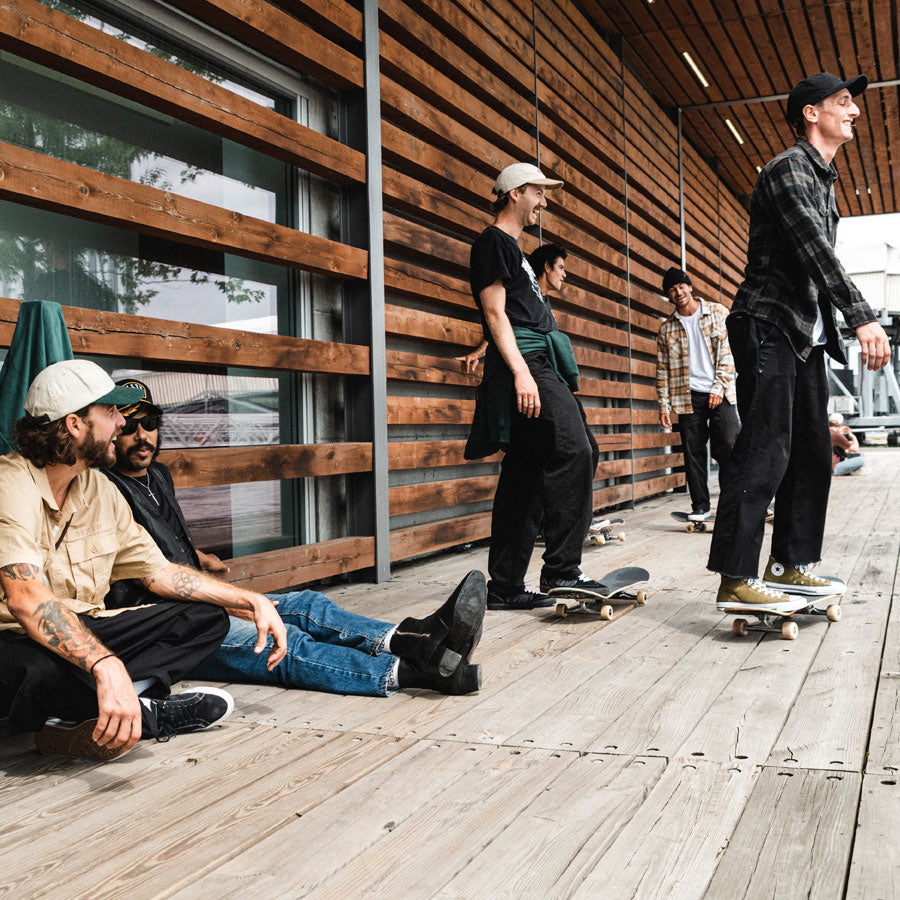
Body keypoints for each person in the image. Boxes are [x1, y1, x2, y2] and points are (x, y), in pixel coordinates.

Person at [103, 380, 486, 697]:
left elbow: (155, 544)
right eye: (129, 426)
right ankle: (417, 671)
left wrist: (199, 557)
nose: (142, 436)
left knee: (307, 605)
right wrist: (230, 604)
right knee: (287, 642)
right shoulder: (107, 489)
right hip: (172, 632)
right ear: (111, 431)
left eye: (149, 423)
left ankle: (416, 638)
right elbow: (146, 574)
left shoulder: (159, 475)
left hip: (198, 605)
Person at [0, 360, 289, 762]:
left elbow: (159, 572)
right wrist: (105, 663)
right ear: (75, 424)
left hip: (84, 626)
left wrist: (248, 600)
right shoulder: (9, 485)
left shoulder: (99, 488)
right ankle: (133, 712)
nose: (121, 423)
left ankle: (104, 711)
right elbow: (26, 599)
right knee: (38, 671)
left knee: (204, 617)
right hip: (13, 639)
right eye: (111, 411)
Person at [708, 72, 891, 606]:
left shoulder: (823, 181)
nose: (854, 111)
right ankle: (736, 578)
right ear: (811, 113)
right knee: (764, 448)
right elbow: (815, 250)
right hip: (768, 323)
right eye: (844, 102)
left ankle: (789, 563)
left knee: (812, 452)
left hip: (803, 334)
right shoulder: (789, 168)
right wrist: (861, 316)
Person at [463, 163, 601, 610]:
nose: (544, 202)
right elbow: (495, 313)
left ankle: (504, 585)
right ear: (515, 193)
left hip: (536, 361)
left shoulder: (516, 250)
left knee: (525, 471)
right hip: (527, 364)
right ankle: (562, 571)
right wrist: (521, 372)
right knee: (575, 449)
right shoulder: (493, 242)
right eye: (539, 193)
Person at [656, 267, 739, 522]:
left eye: (681, 286)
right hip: (687, 396)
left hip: (720, 392)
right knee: (693, 453)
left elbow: (728, 353)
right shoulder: (667, 329)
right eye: (672, 289)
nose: (678, 292)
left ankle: (732, 503)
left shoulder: (717, 312)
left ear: (690, 287)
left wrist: (718, 388)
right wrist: (663, 405)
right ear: (669, 295)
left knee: (729, 446)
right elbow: (662, 369)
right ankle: (701, 507)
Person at [455, 244, 570, 375]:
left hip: (547, 370)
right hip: (527, 368)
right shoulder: (523, 296)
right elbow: (505, 328)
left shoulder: (545, 303)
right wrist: (477, 353)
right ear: (547, 266)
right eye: (561, 268)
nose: (564, 274)